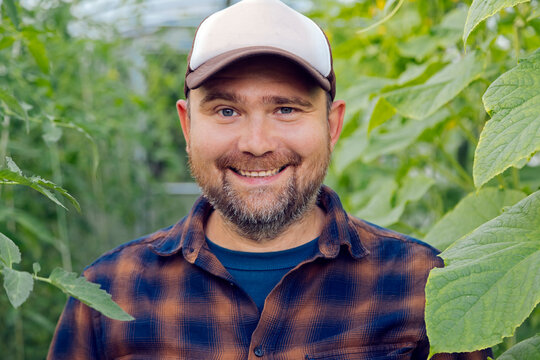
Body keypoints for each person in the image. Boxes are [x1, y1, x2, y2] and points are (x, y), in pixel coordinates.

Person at [48, 0, 492, 359]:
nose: (256, 143)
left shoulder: (420, 286)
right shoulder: (108, 294)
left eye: (286, 109)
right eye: (226, 111)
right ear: (187, 127)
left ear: (331, 126)